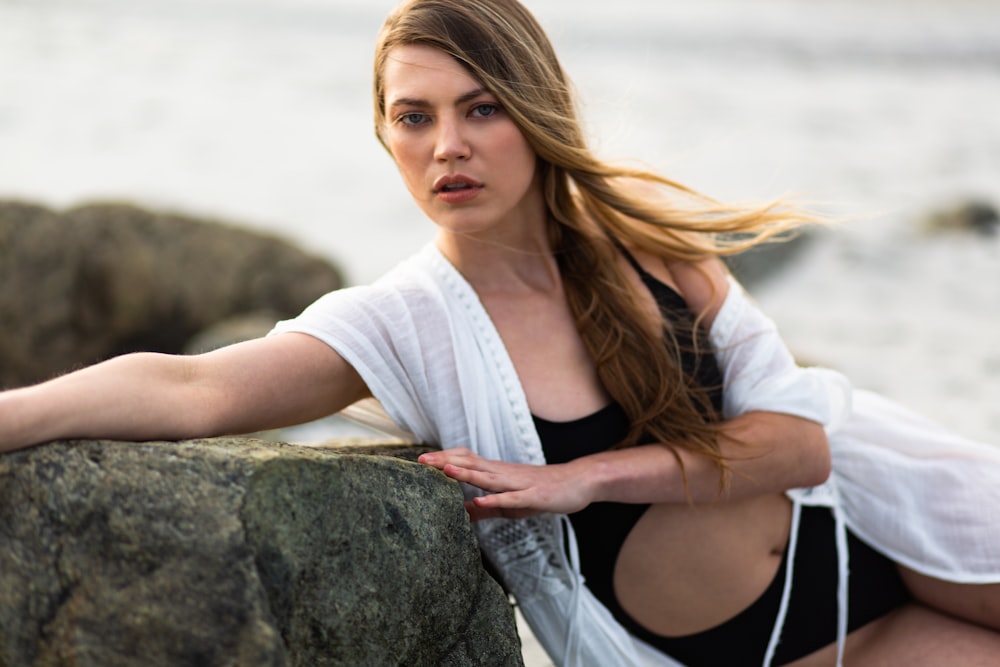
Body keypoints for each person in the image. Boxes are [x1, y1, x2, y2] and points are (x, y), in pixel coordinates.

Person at [2, 0, 999, 664]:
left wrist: (585, 477)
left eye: (480, 109)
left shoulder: (645, 244)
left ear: (533, 110)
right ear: (383, 134)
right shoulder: (406, 318)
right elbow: (196, 389)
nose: (447, 146)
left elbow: (798, 442)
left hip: (892, 545)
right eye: (413, 116)